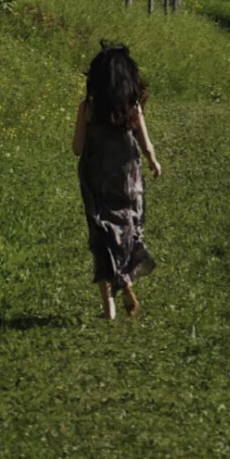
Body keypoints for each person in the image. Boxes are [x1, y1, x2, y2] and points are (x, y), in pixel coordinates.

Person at [72, 43, 161, 320]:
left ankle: (108, 307)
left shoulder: (87, 108)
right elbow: (146, 145)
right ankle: (127, 280)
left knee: (102, 238)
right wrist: (153, 162)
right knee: (129, 233)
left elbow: (77, 148)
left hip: (96, 185)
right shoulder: (133, 109)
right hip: (129, 184)